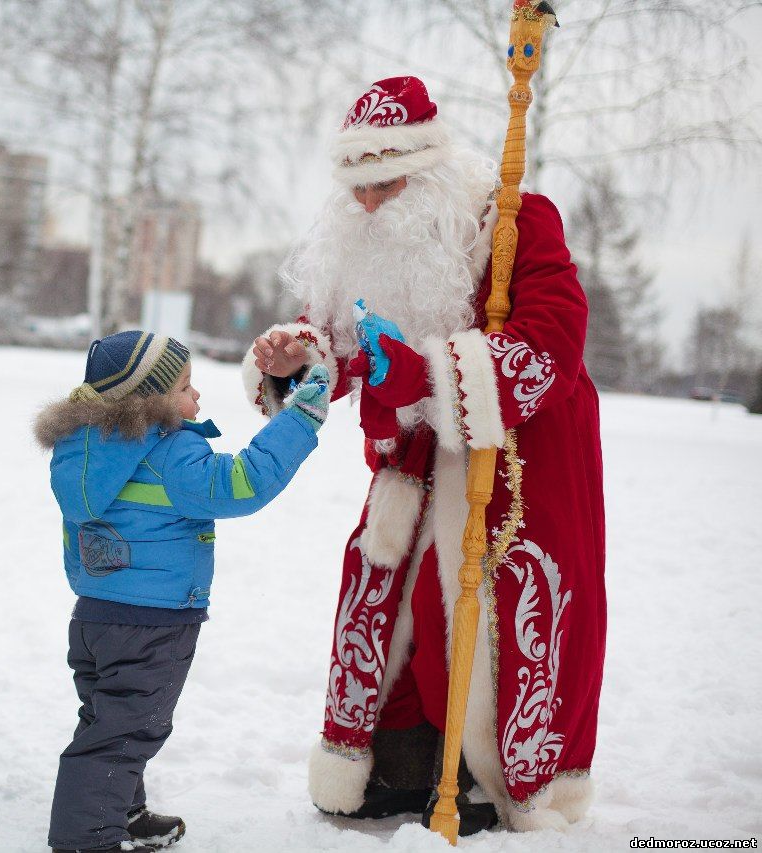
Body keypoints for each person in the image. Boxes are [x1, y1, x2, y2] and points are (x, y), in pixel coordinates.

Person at [245, 76, 605, 834]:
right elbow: (344, 341)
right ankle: (399, 759)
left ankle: (489, 775)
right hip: (413, 457)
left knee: (496, 608)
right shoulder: (363, 237)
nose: (369, 205)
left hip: (518, 455)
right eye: (357, 190)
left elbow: (552, 342)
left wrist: (425, 371)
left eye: (386, 184)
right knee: (389, 600)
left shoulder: (509, 222)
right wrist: (296, 357)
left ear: (430, 170)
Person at [36, 331, 329, 853]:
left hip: (96, 617)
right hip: (153, 624)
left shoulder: (86, 449)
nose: (197, 399)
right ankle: (86, 839)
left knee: (111, 721)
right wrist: (299, 421)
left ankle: (120, 812)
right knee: (127, 731)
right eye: (185, 388)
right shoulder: (170, 453)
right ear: (149, 401)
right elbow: (242, 482)